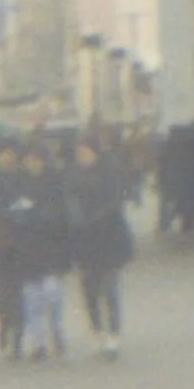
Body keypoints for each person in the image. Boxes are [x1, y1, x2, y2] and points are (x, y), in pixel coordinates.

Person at [67, 133, 133, 360]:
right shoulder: (73, 176)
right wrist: (76, 218)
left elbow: (115, 203)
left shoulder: (110, 174)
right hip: (84, 242)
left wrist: (95, 218)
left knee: (110, 287)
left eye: (86, 153)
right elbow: (69, 201)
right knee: (89, 290)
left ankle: (113, 334)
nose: (82, 157)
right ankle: (96, 331)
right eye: (79, 154)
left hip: (109, 238)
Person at [17, 141, 73, 360]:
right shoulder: (20, 181)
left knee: (52, 293)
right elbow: (15, 209)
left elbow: (59, 213)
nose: (31, 163)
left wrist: (36, 214)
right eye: (28, 159)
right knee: (32, 298)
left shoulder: (55, 181)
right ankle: (38, 342)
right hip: (28, 247)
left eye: (34, 158)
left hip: (51, 245)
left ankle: (57, 329)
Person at [0, 141, 38, 360]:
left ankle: (16, 335)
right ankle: (5, 325)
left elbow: (33, 205)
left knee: (18, 293)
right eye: (4, 154)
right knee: (1, 295)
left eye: (12, 154)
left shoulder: (25, 179)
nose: (8, 158)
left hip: (21, 245)